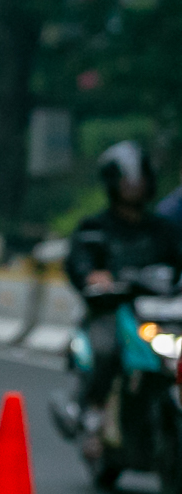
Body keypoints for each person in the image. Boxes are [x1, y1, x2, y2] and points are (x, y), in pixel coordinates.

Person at [57, 141, 182, 441]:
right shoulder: (94, 228)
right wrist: (93, 277)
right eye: (127, 182)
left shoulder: (163, 229)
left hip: (160, 312)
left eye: (139, 181)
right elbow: (79, 263)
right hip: (112, 310)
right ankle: (92, 411)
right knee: (106, 350)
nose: (134, 188)